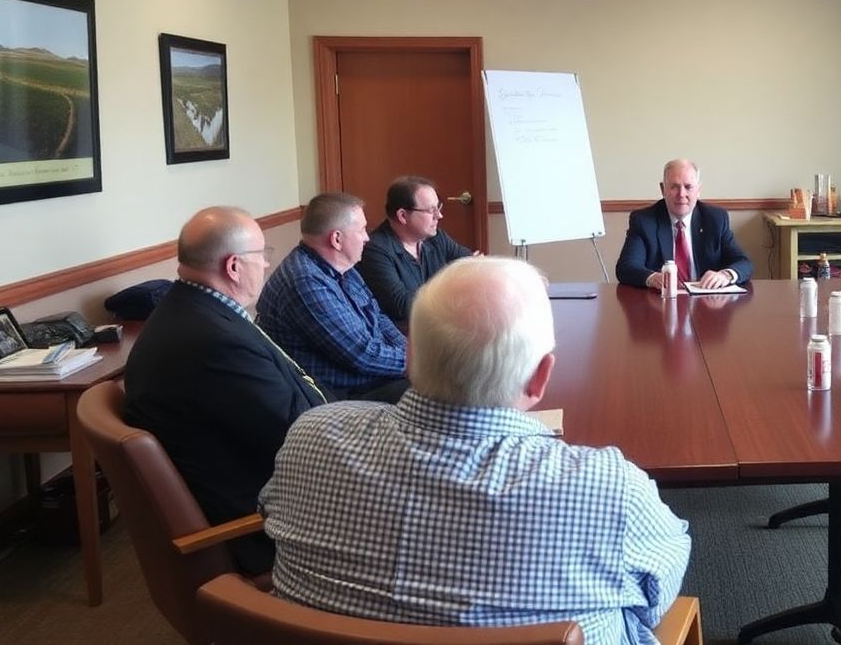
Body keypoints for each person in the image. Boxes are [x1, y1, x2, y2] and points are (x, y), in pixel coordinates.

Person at [261, 257, 691, 644]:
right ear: (541, 377)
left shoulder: (310, 437)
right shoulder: (609, 488)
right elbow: (655, 600)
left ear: (409, 355)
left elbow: (270, 517)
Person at [124, 206, 326, 574]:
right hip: (265, 518)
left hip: (250, 477)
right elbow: (298, 438)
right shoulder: (213, 342)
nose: (266, 266)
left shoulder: (191, 310)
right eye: (262, 256)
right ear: (233, 266)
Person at [257, 192, 408, 402]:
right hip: (340, 396)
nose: (367, 237)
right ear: (337, 239)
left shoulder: (344, 267)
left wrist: (409, 351)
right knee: (437, 391)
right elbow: (361, 355)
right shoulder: (305, 281)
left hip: (369, 377)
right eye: (362, 230)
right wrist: (415, 363)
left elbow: (378, 315)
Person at [358, 175, 476, 327]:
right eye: (431, 210)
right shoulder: (375, 250)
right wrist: (454, 286)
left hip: (438, 323)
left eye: (438, 207)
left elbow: (472, 264)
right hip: (403, 334)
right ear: (403, 216)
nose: (439, 216)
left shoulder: (436, 237)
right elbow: (402, 306)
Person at [616, 159, 753, 290]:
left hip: (707, 304)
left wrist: (726, 275)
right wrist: (652, 278)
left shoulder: (715, 219)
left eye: (688, 187)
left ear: (698, 190)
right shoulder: (644, 220)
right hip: (661, 303)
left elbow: (744, 263)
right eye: (674, 187)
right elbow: (626, 267)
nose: (681, 194)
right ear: (663, 189)